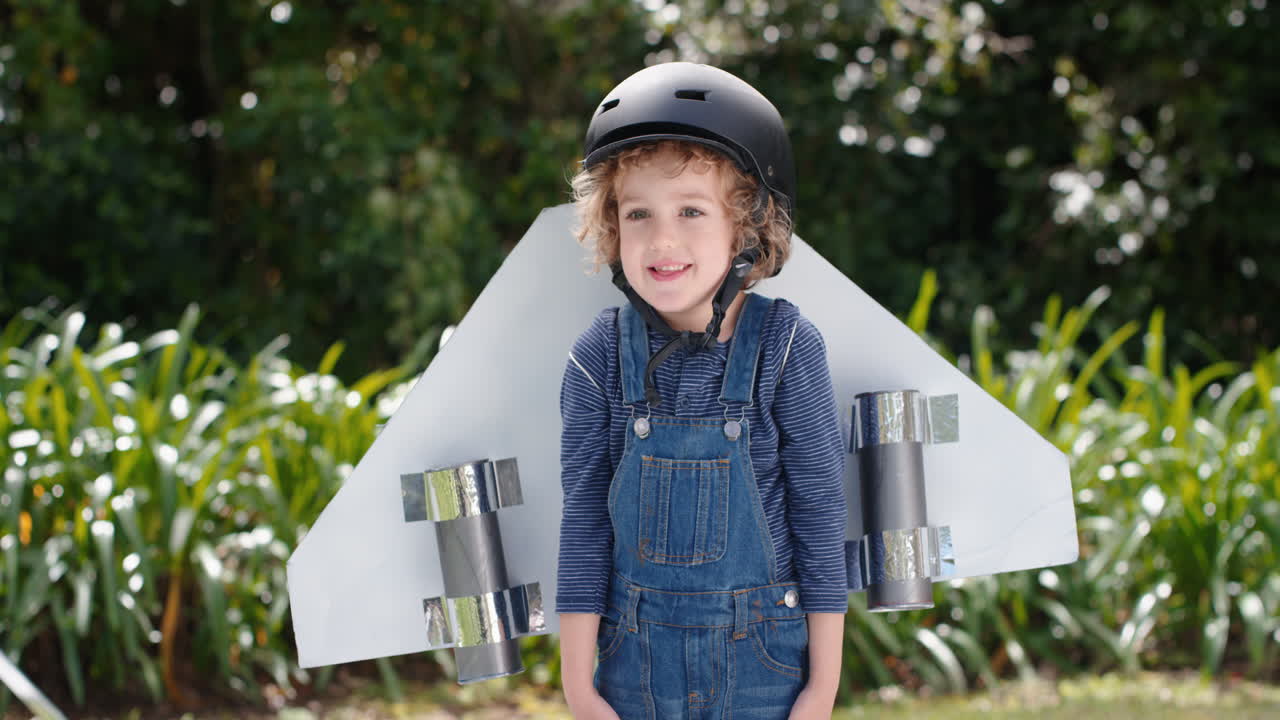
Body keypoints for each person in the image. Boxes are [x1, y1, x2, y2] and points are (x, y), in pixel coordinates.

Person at [556, 62, 848, 719]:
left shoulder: (787, 348)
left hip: (764, 667)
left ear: (747, 227)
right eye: (638, 214)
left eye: (691, 210)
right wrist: (579, 688)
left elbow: (820, 516)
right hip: (633, 665)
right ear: (612, 227)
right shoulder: (597, 358)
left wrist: (821, 688)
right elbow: (584, 528)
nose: (662, 238)